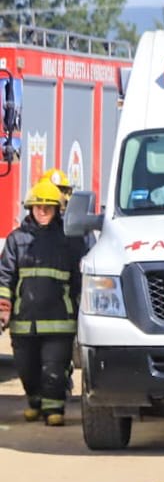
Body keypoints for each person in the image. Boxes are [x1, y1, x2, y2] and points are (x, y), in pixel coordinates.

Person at [0, 181, 86, 426]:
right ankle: (35, 402)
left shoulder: (69, 241)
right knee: (26, 369)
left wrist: (82, 315)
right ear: (30, 209)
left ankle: (53, 408)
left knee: (53, 368)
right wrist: (4, 308)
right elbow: (5, 276)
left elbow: (79, 279)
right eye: (37, 207)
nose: (42, 212)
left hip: (59, 321)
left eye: (47, 208)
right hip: (24, 321)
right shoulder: (17, 240)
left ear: (57, 210)